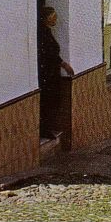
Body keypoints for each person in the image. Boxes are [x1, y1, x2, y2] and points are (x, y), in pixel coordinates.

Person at [37, 7, 74, 138]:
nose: (56, 20)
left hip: (51, 73)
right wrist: (63, 64)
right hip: (48, 73)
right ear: (47, 19)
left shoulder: (46, 32)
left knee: (51, 101)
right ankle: (44, 129)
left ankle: (47, 128)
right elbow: (50, 53)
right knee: (49, 100)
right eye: (53, 17)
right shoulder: (44, 34)